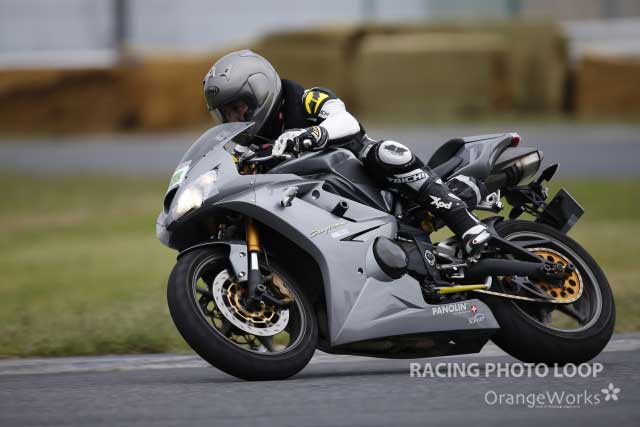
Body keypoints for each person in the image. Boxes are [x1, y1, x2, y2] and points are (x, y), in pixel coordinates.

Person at [203, 50, 490, 258]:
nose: (234, 118)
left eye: (238, 107)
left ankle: (466, 224)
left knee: (386, 154)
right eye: (226, 113)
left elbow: (346, 121)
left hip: (364, 180)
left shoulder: (306, 99)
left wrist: (311, 135)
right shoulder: (247, 149)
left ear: (259, 92)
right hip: (318, 212)